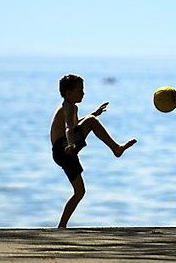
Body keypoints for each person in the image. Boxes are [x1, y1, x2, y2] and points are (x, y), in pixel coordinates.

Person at [50, 74, 136, 228]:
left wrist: (94, 114)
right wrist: (70, 144)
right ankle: (116, 148)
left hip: (61, 151)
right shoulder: (68, 108)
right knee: (91, 122)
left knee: (79, 192)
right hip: (64, 149)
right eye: (80, 90)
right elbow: (69, 128)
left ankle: (61, 226)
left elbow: (75, 124)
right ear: (69, 93)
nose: (83, 93)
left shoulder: (70, 106)